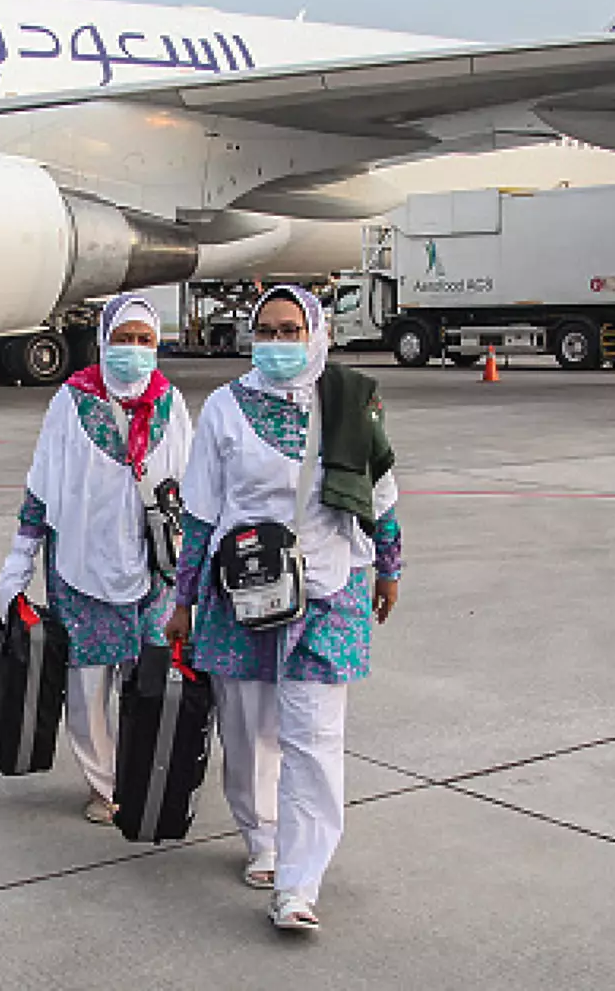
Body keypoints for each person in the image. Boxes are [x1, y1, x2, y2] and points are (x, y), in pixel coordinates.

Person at [166, 285, 402, 932]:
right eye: (266, 329)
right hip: (241, 591)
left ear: (316, 330)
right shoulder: (223, 407)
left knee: (315, 739)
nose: (277, 341)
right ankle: (262, 834)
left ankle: (300, 883)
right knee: (247, 732)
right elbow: (200, 510)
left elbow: (381, 490)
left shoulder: (352, 399)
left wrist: (390, 563)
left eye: (290, 328)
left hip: (330, 587)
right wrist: (183, 598)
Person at [0, 295, 193, 823]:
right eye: (123, 339)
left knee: (147, 677)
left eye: (144, 341)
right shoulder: (71, 401)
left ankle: (139, 772)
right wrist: (18, 562)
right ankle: (104, 783)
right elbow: (42, 485)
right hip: (80, 567)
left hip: (153, 570)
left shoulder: (171, 404)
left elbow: (195, 491)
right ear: (103, 340)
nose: (133, 351)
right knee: (86, 683)